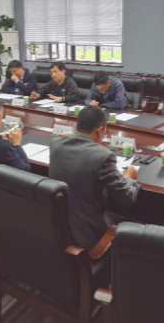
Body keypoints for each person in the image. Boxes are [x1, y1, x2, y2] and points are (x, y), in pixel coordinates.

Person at [49, 106, 140, 251]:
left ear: (77, 126)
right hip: (88, 233)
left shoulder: (55, 144)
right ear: (100, 130)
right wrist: (129, 177)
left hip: (56, 226)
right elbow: (126, 199)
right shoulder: (103, 156)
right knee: (137, 221)